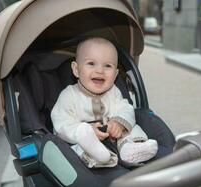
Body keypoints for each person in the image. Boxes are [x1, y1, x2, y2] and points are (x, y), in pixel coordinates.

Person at [51, 37, 158, 168]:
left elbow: (125, 108)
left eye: (108, 66)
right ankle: (94, 155)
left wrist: (119, 123)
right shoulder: (69, 95)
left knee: (131, 127)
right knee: (73, 144)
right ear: (76, 69)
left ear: (115, 74)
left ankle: (130, 149)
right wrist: (84, 131)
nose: (100, 70)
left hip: (112, 135)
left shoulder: (113, 92)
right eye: (91, 63)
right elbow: (61, 123)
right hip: (83, 139)